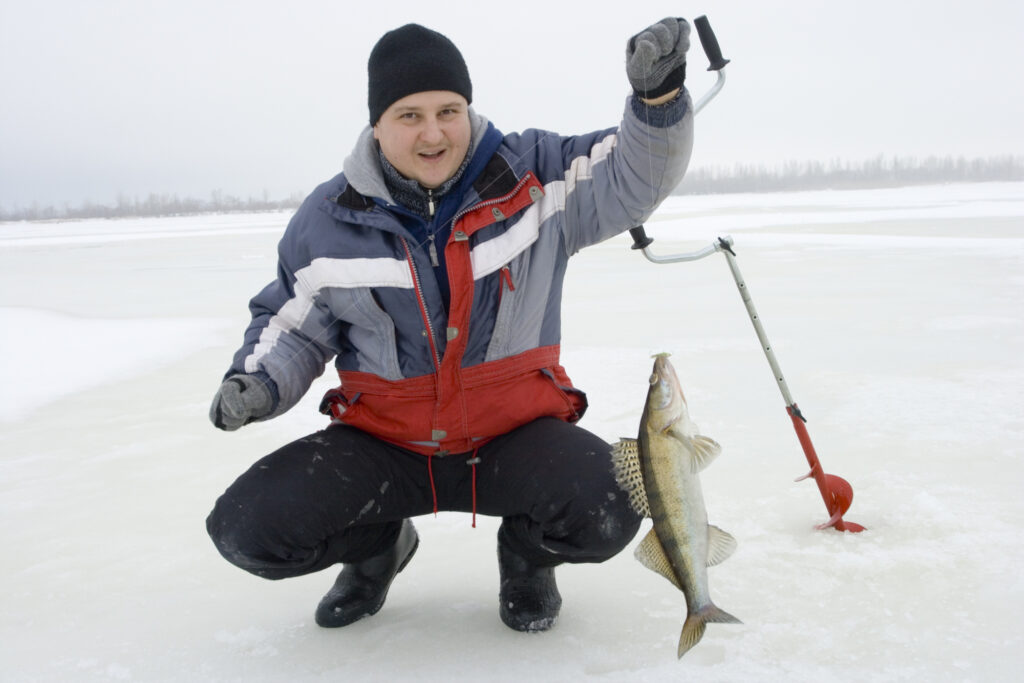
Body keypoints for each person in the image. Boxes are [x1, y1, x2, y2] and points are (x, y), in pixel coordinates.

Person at [206, 18, 694, 634]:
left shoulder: (535, 176)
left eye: (449, 110)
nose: (433, 132)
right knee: (248, 530)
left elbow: (634, 173)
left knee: (611, 506)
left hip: (511, 435)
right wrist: (257, 381)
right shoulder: (326, 222)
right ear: (376, 123)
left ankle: (526, 557)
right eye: (409, 115)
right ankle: (377, 548)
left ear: (469, 108)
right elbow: (295, 324)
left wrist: (658, 97)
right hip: (386, 444)